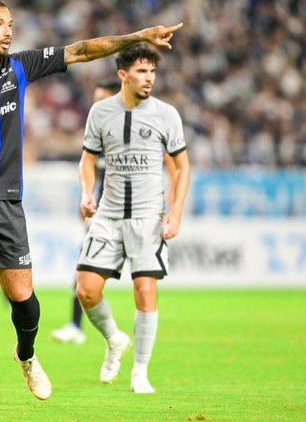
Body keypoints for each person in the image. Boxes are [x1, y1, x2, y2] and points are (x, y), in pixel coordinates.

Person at [0, 0, 183, 411]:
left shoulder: (20, 67)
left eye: (10, 24)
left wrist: (137, 38)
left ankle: (25, 354)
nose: (8, 31)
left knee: (24, 299)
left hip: (6, 201)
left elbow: (80, 50)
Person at [74, 42, 191, 394]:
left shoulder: (166, 115)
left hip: (146, 217)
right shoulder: (100, 113)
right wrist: (85, 193)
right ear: (122, 75)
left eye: (152, 71)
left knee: (144, 289)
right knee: (86, 290)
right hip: (108, 215)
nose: (149, 78)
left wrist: (175, 212)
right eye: (141, 71)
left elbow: (183, 166)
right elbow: (87, 159)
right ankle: (113, 339)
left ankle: (140, 371)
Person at [52, 79, 178, 345]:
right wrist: (86, 198)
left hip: (138, 216)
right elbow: (92, 173)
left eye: (102, 98)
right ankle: (80, 326)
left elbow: (173, 163)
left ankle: (110, 337)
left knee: (142, 283)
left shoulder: (138, 131)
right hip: (104, 215)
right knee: (84, 275)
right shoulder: (100, 132)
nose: (96, 104)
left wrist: (172, 206)